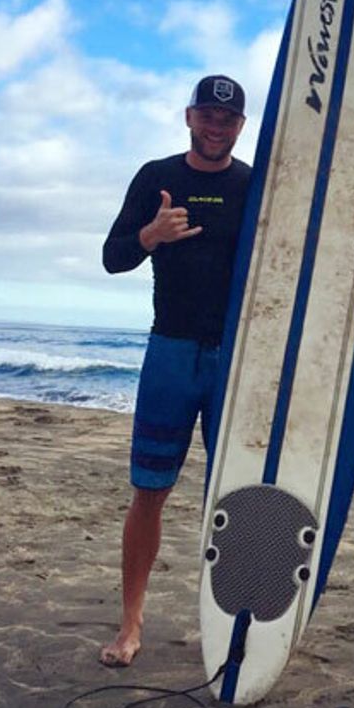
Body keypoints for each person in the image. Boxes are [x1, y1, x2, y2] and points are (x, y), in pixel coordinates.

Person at [99, 74, 251, 667]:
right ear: (190, 117)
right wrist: (151, 235)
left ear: (241, 126)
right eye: (207, 116)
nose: (216, 127)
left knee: (235, 495)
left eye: (227, 119)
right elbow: (113, 258)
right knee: (150, 491)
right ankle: (130, 624)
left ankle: (233, 624)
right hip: (170, 352)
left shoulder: (255, 184)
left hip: (236, 358)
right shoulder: (156, 176)